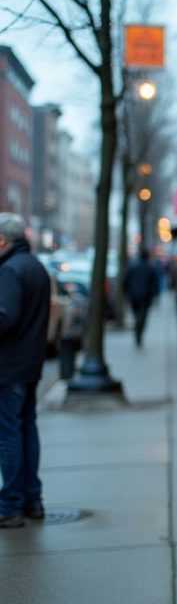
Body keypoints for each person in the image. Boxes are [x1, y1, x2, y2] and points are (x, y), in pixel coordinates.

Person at [0, 214, 49, 528]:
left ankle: (11, 504)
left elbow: (5, 318)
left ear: (3, 240)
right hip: (30, 364)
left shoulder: (9, 270)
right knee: (26, 428)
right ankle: (32, 499)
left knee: (9, 434)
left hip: (9, 366)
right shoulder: (34, 266)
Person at [122, 249, 159, 348]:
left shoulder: (133, 267)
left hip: (134, 295)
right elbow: (154, 284)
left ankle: (137, 331)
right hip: (145, 297)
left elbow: (125, 281)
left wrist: (127, 292)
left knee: (137, 315)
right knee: (142, 316)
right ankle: (139, 332)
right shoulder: (150, 268)